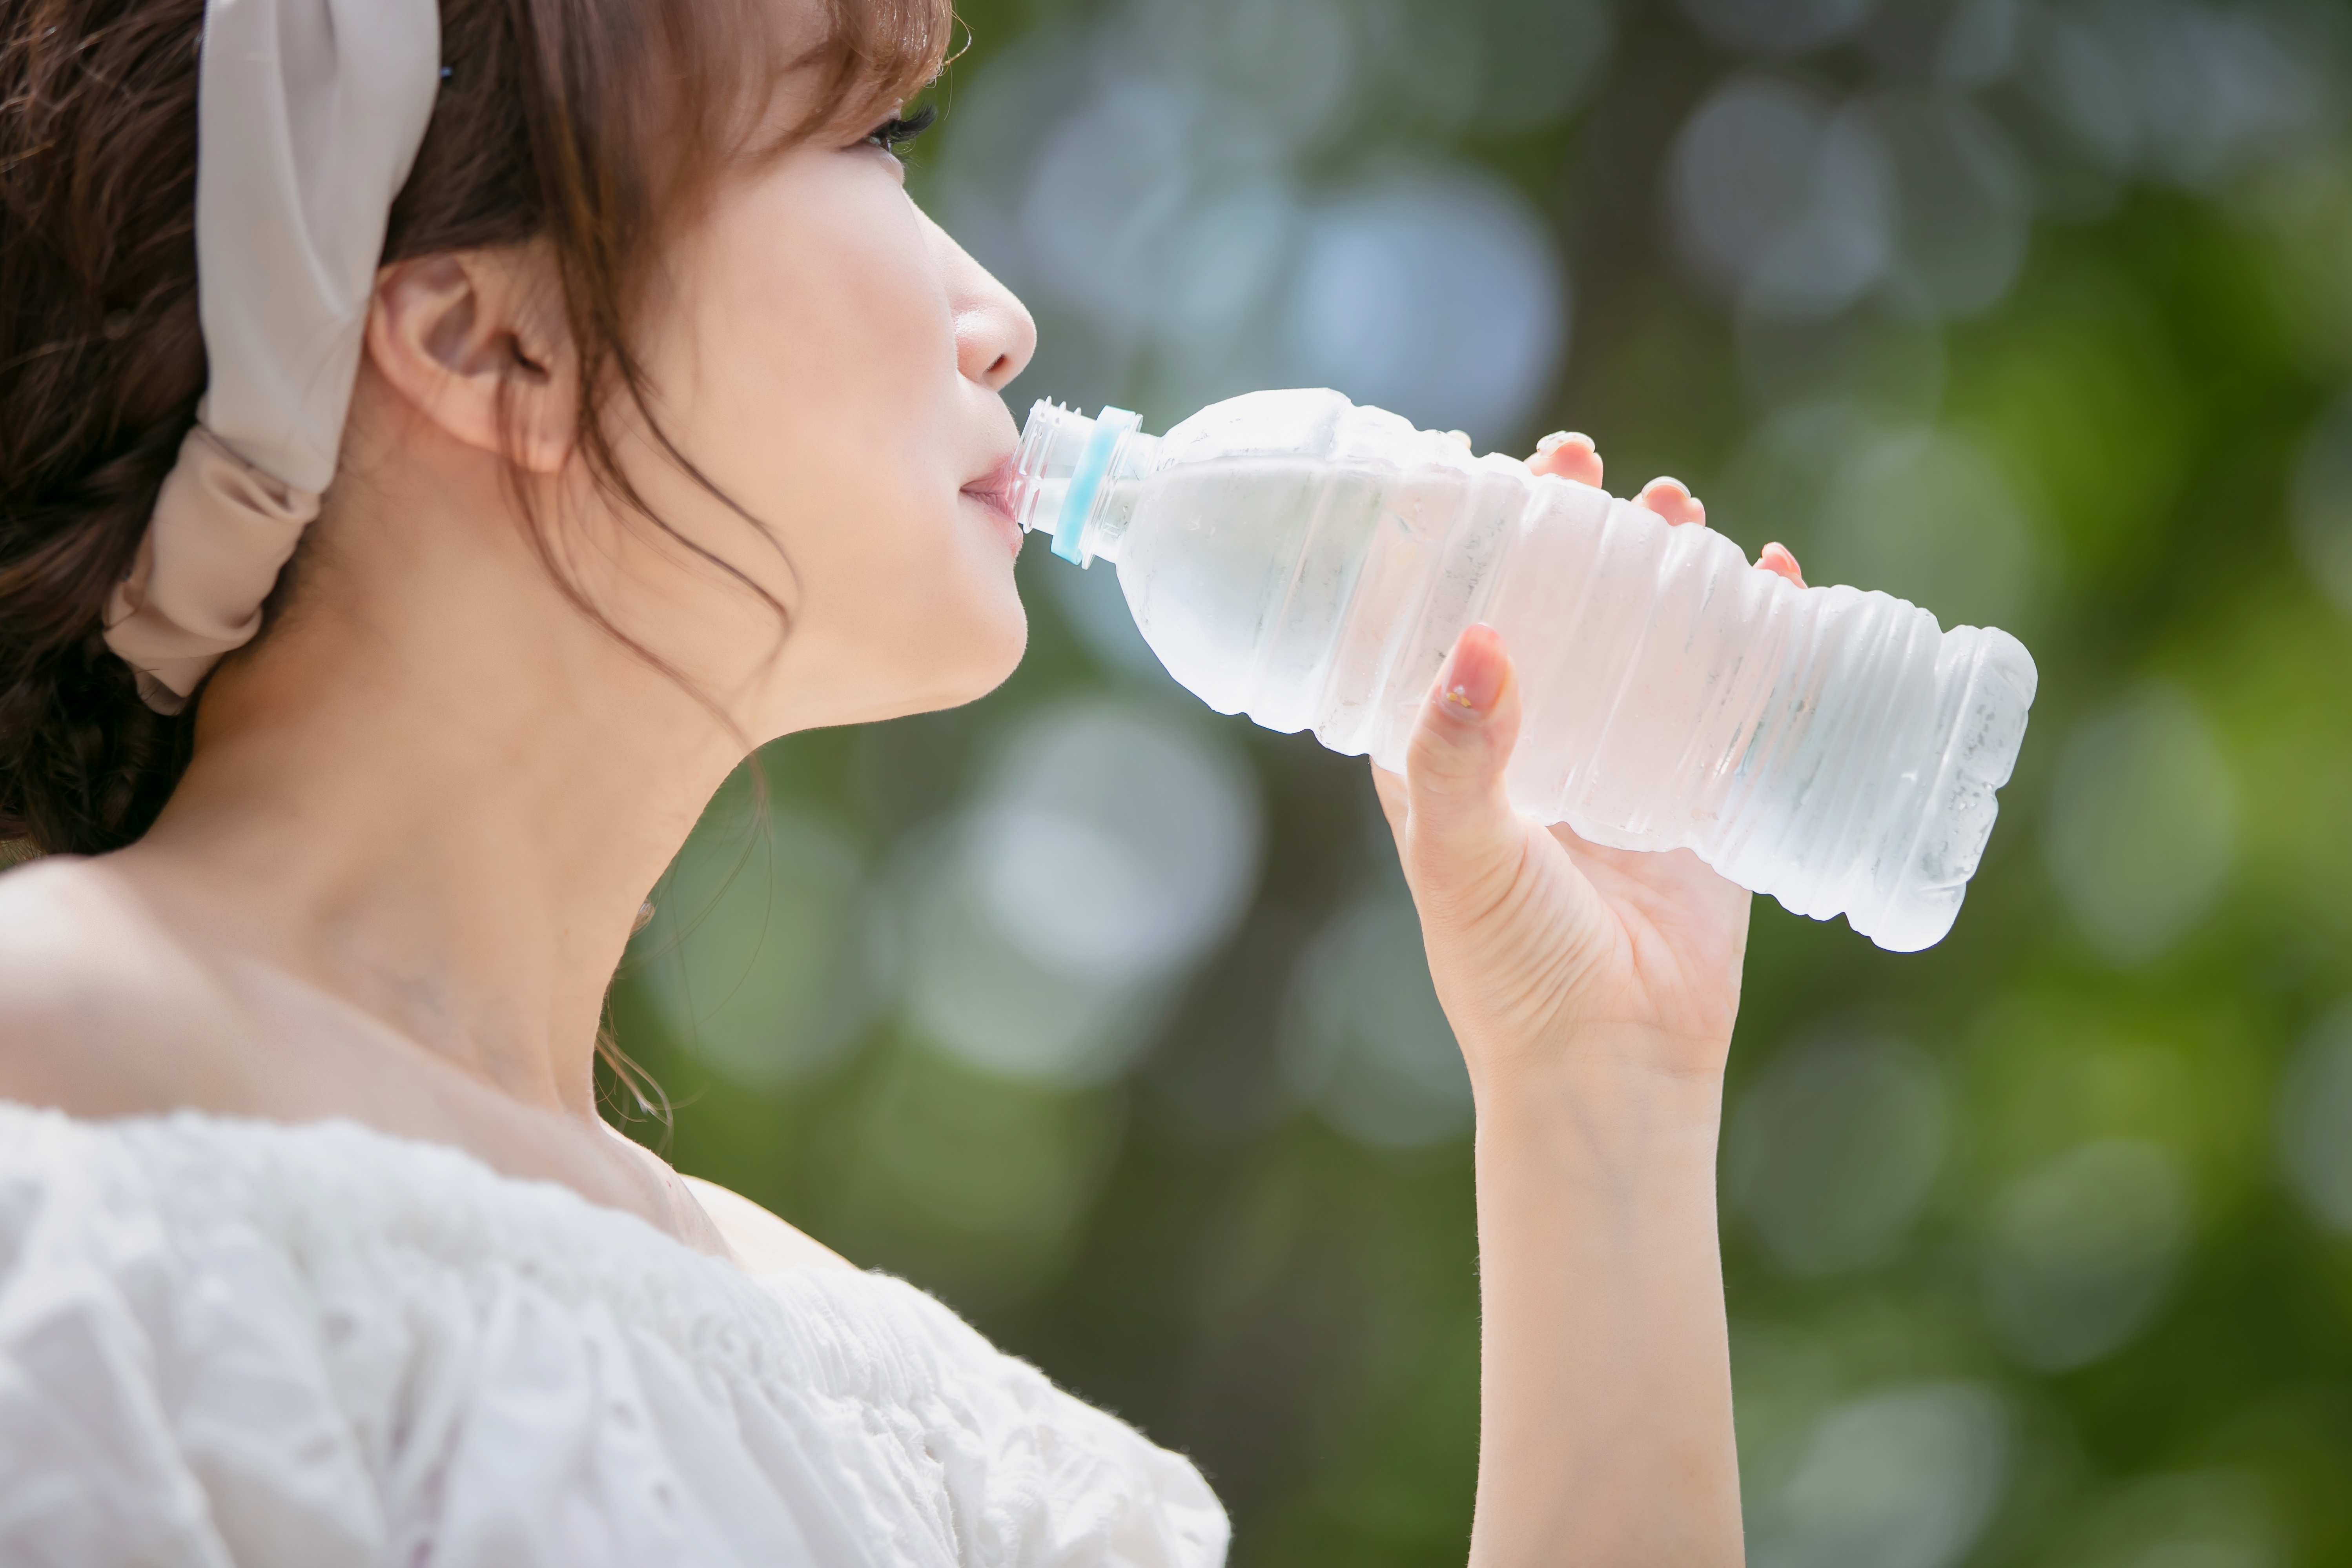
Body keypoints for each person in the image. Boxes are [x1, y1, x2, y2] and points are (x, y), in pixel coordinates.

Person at [0, 0, 1805, 1561]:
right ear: (491, 338)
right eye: (868, 133)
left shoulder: (929, 1437)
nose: (1001, 317)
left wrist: (1601, 1102)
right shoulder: (56, 1078)